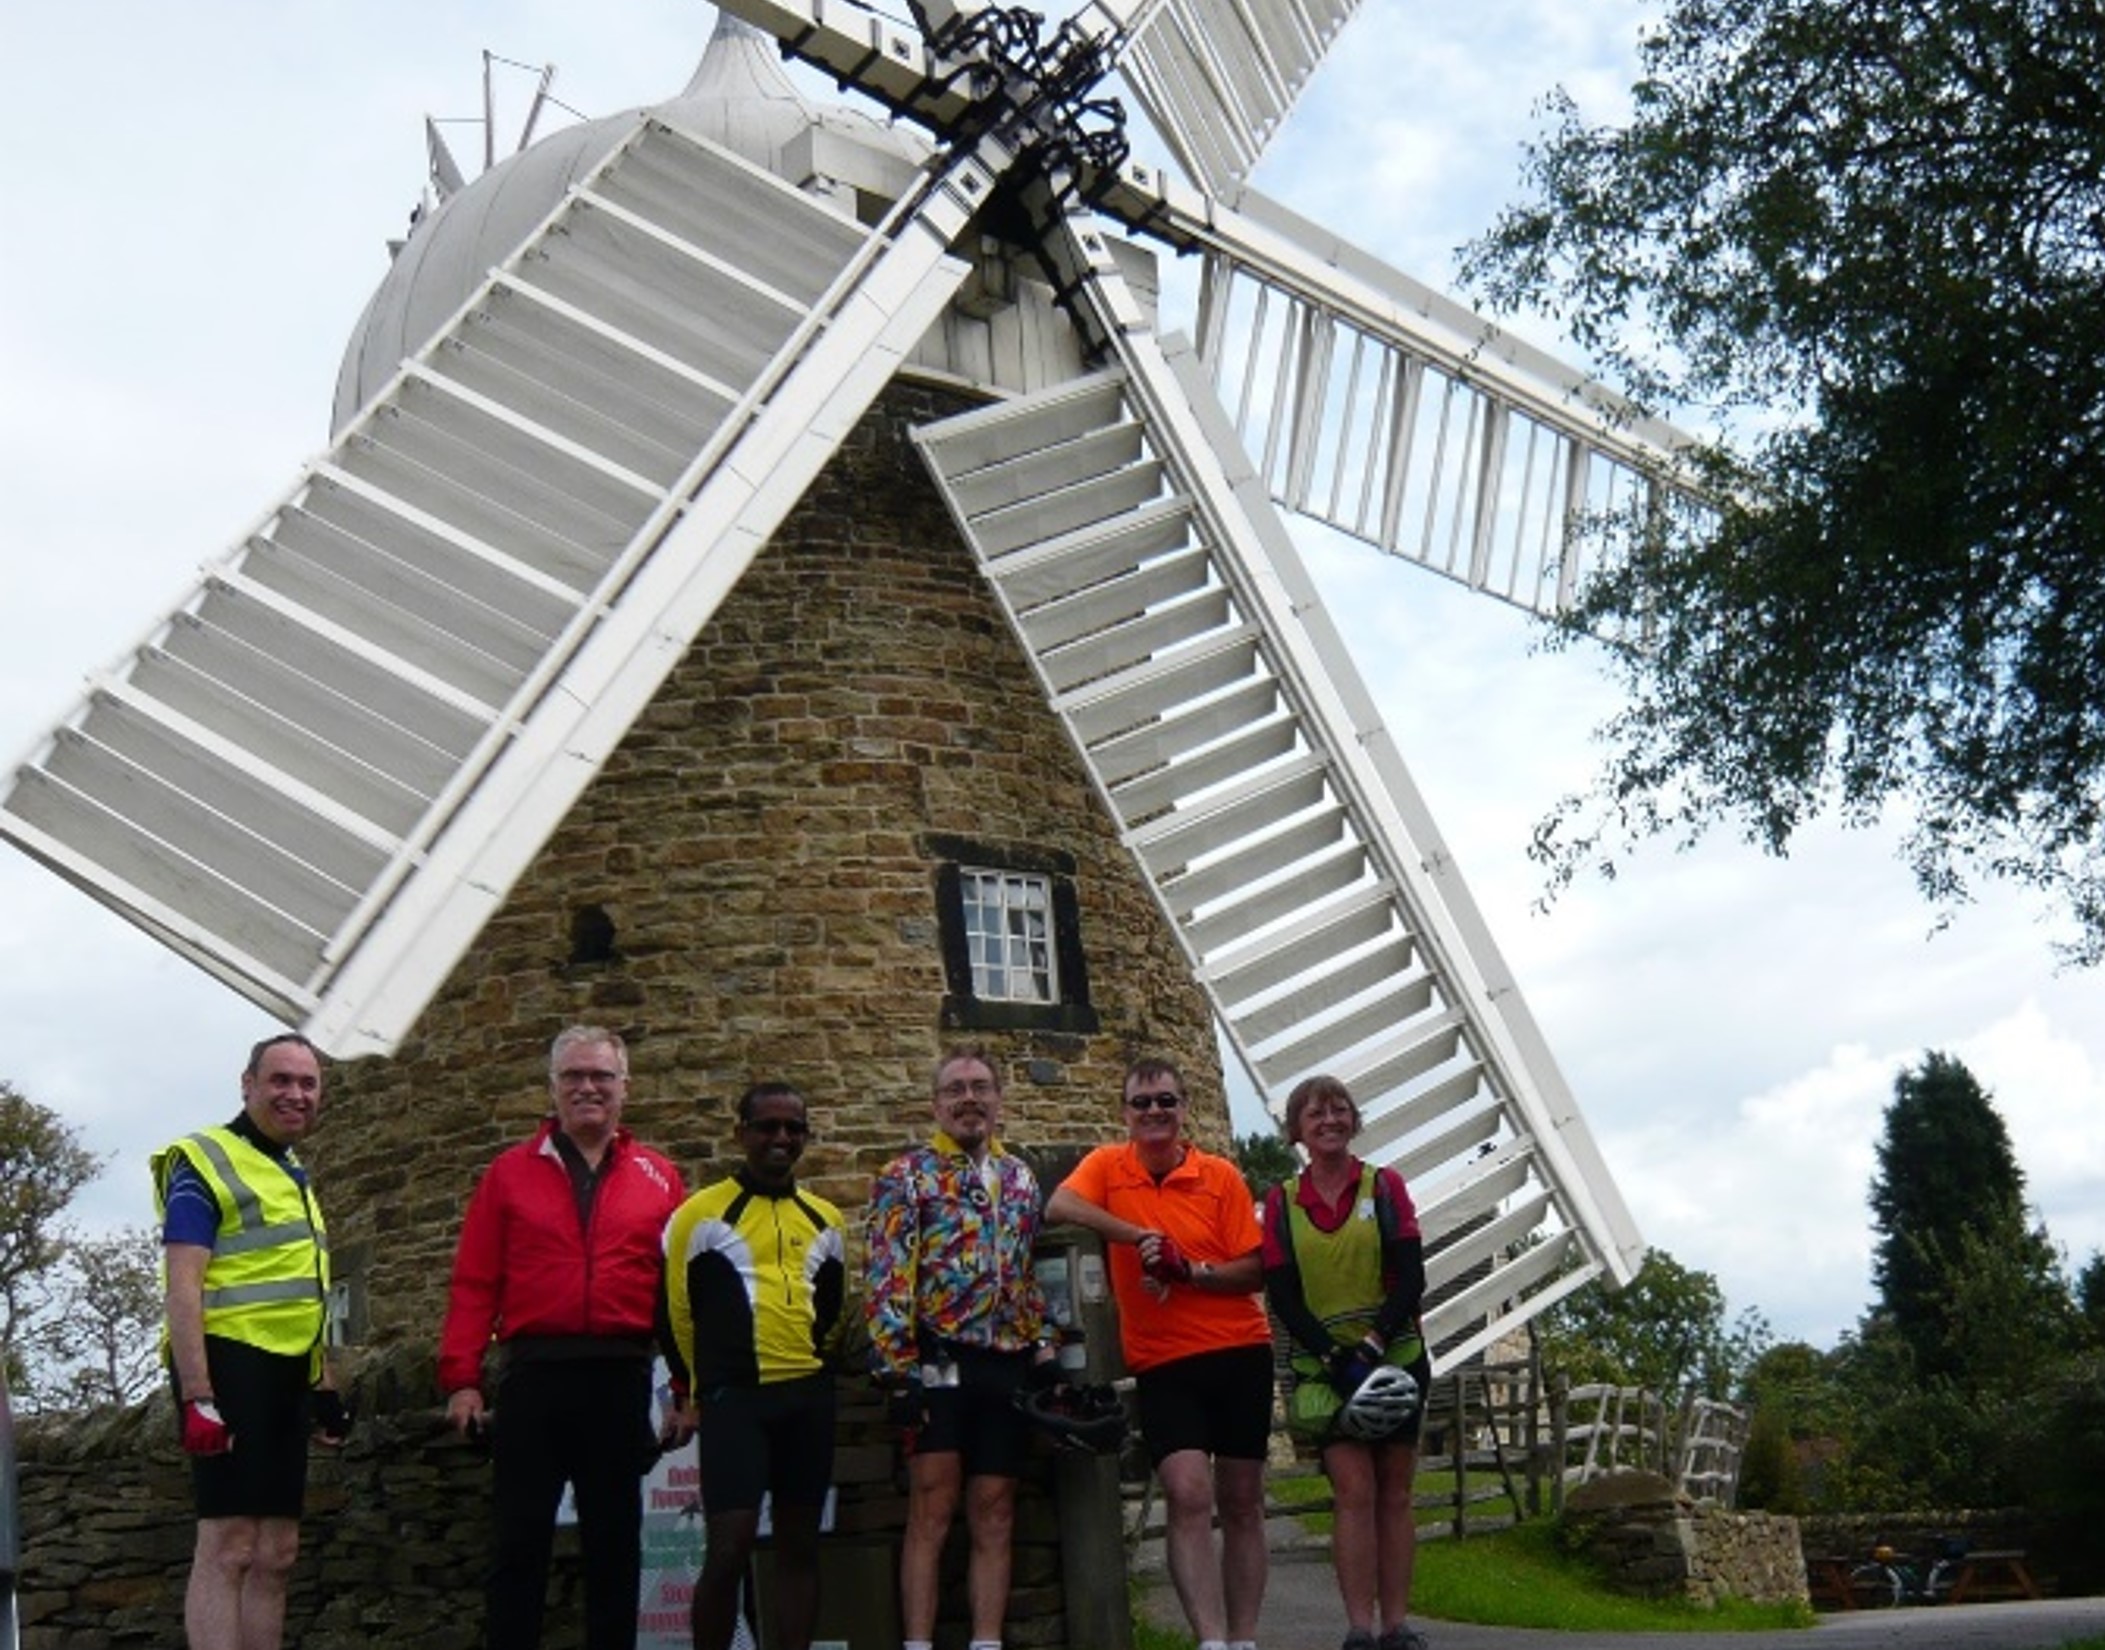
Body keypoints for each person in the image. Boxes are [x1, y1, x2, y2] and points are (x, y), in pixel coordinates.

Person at [439, 1025, 687, 1650]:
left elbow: (678, 1298)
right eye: (573, 1076)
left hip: (619, 1379)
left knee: (615, 1549)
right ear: (551, 1088)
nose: (587, 1088)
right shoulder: (507, 1175)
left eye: (601, 1076)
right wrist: (462, 1380)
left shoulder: (660, 1179)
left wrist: (689, 1387)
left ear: (624, 1088)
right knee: (518, 1546)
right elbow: (474, 1282)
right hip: (533, 1380)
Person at [1043, 1057, 1271, 1650]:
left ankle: (1243, 1638)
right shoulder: (1107, 1168)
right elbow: (1059, 1208)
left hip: (1240, 1349)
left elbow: (1254, 1269)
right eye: (1142, 1103)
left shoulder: (1219, 1175)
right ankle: (1211, 1640)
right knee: (1188, 1491)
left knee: (1242, 1500)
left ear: (1183, 1107)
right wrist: (1137, 1236)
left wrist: (1190, 1271)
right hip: (1164, 1360)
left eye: (1165, 1101)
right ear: (1125, 1112)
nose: (1153, 1113)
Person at [154, 1030, 349, 1650]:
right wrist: (197, 1395)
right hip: (228, 1367)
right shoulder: (204, 1158)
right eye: (281, 1081)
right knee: (229, 1544)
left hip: (287, 1376)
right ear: (248, 1085)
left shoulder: (292, 1172)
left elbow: (304, 1292)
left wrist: (322, 1383)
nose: (296, 1095)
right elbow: (182, 1283)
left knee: (277, 1551)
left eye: (308, 1084)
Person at [864, 1048, 1055, 1650]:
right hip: (937, 1357)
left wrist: (1045, 1343)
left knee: (996, 1506)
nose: (968, 1099)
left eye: (980, 1087)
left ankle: (987, 1641)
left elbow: (1031, 1270)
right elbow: (888, 1274)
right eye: (955, 1090)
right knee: (932, 1503)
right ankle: (919, 1643)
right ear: (936, 1104)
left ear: (999, 1099)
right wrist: (897, 1368)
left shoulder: (1022, 1176)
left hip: (1007, 1359)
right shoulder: (906, 1175)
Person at [661, 1083, 846, 1650]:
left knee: (800, 1547)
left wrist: (815, 1370)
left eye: (794, 1129)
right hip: (733, 1400)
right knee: (729, 1547)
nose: (781, 1139)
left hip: (806, 1399)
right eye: (767, 1126)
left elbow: (835, 1312)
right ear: (740, 1133)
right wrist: (695, 1389)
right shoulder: (699, 1215)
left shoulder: (826, 1217)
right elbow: (674, 1313)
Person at [1261, 1074, 1432, 1650]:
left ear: (1353, 1120)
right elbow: (1282, 1292)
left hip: (1396, 1356)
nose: (1329, 1121)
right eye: (1315, 1114)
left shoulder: (1384, 1188)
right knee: (1353, 1490)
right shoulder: (1282, 1201)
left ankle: (1396, 1624)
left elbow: (1412, 1274)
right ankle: (1360, 1625)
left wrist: (1376, 1342)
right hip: (1327, 1366)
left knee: (1396, 1491)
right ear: (1297, 1130)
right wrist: (1331, 1356)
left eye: (1339, 1111)